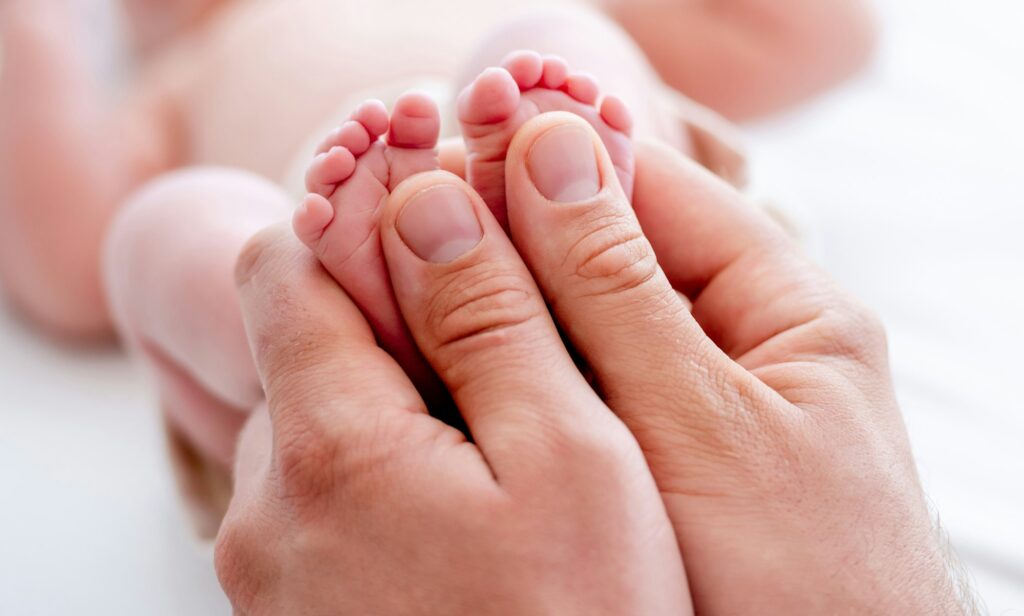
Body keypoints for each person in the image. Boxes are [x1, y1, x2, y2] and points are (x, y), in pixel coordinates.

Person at [215, 112, 975, 614]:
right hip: (336, 282)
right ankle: (543, 177)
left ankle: (397, 310)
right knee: (212, 236)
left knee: (197, 227)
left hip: (311, 227)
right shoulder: (192, 60)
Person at [0, 0, 875, 339]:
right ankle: (302, 345)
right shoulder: (179, 76)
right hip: (308, 252)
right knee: (173, 229)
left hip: (588, 203)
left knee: (556, 46)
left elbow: (826, 33)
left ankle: (578, 186)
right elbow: (69, 258)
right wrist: (29, 34)